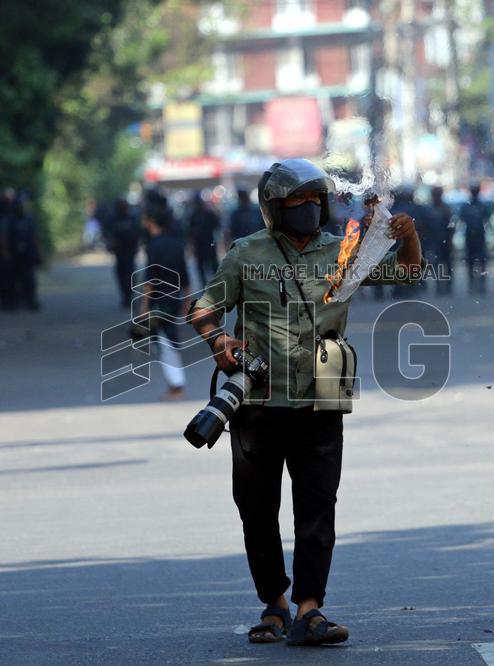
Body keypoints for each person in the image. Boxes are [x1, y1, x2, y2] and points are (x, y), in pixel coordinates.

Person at [189, 159, 423, 646]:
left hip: (321, 398)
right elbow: (203, 308)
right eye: (298, 203)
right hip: (257, 403)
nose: (309, 210)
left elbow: (409, 271)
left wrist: (408, 233)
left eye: (315, 201)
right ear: (275, 209)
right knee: (257, 509)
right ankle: (273, 604)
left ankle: (310, 609)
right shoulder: (246, 253)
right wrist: (217, 341)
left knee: (318, 508)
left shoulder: (344, 254)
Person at [140, 210, 190, 401]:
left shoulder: (153, 246)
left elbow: (150, 279)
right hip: (174, 298)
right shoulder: (177, 244)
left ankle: (176, 384)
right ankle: (176, 383)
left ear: (151, 221)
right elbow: (184, 275)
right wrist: (186, 301)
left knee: (164, 342)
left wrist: (144, 306)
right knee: (169, 339)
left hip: (159, 301)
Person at [101, 197, 141, 309]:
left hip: (129, 250)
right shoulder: (113, 218)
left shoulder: (132, 217)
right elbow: (107, 232)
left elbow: (137, 232)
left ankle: (129, 296)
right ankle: (125, 296)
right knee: (121, 274)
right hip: (119, 251)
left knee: (130, 274)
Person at [458, 183, 494, 295]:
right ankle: (472, 285)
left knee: (482, 261)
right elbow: (461, 219)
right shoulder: (466, 206)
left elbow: (488, 218)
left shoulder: (482, 206)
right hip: (470, 237)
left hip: (479, 237)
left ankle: (481, 285)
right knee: (470, 262)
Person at [187, 192, 220, 287]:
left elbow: (216, 226)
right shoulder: (194, 215)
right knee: (206, 269)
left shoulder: (206, 214)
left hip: (207, 244)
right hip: (203, 245)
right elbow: (190, 233)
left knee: (211, 268)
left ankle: (213, 287)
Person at [426, 186, 454, 295]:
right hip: (434, 242)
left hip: (445, 241)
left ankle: (448, 286)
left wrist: (450, 240)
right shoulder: (429, 209)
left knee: (447, 263)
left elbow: (451, 226)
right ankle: (438, 286)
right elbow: (426, 227)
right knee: (436, 264)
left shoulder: (446, 209)